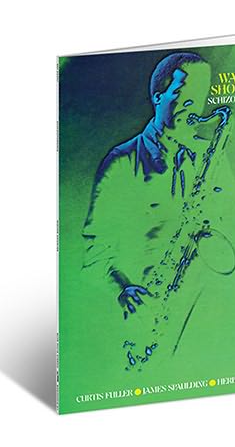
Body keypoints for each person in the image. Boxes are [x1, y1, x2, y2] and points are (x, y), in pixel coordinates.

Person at [82, 51, 214, 318]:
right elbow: (95, 256)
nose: (193, 106)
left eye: (200, 96)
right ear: (158, 97)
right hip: (148, 314)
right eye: (183, 94)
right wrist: (122, 289)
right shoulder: (122, 161)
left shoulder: (211, 156)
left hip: (204, 313)